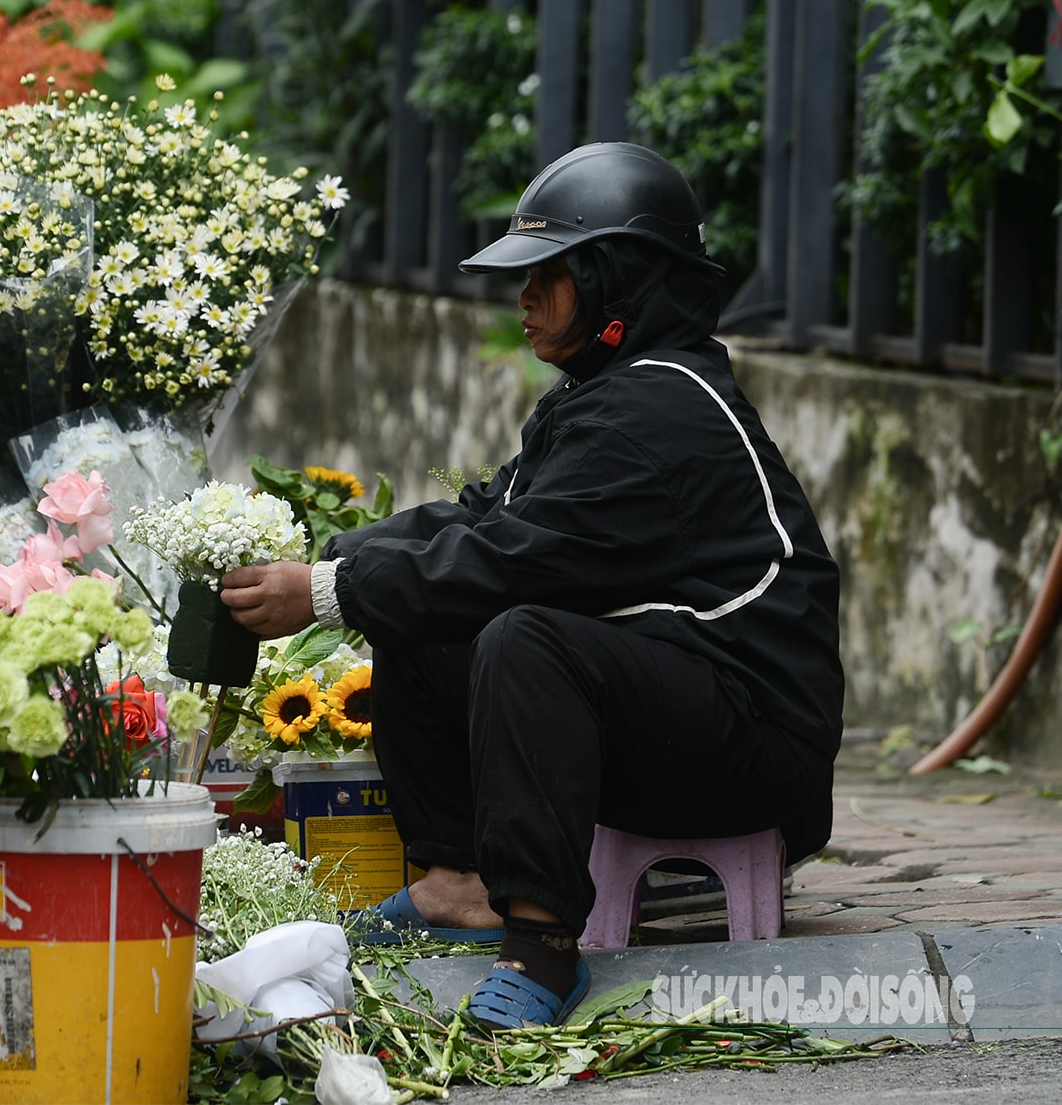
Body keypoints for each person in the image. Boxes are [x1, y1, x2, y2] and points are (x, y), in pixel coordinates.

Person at [218, 142, 844, 1028]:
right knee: (427, 616)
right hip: (674, 712)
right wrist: (328, 559)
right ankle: (459, 884)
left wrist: (324, 593)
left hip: (755, 748)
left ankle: (545, 953)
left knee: (521, 634)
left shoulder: (657, 413)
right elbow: (482, 516)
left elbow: (508, 557)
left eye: (548, 275)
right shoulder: (602, 395)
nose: (524, 298)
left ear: (618, 280)